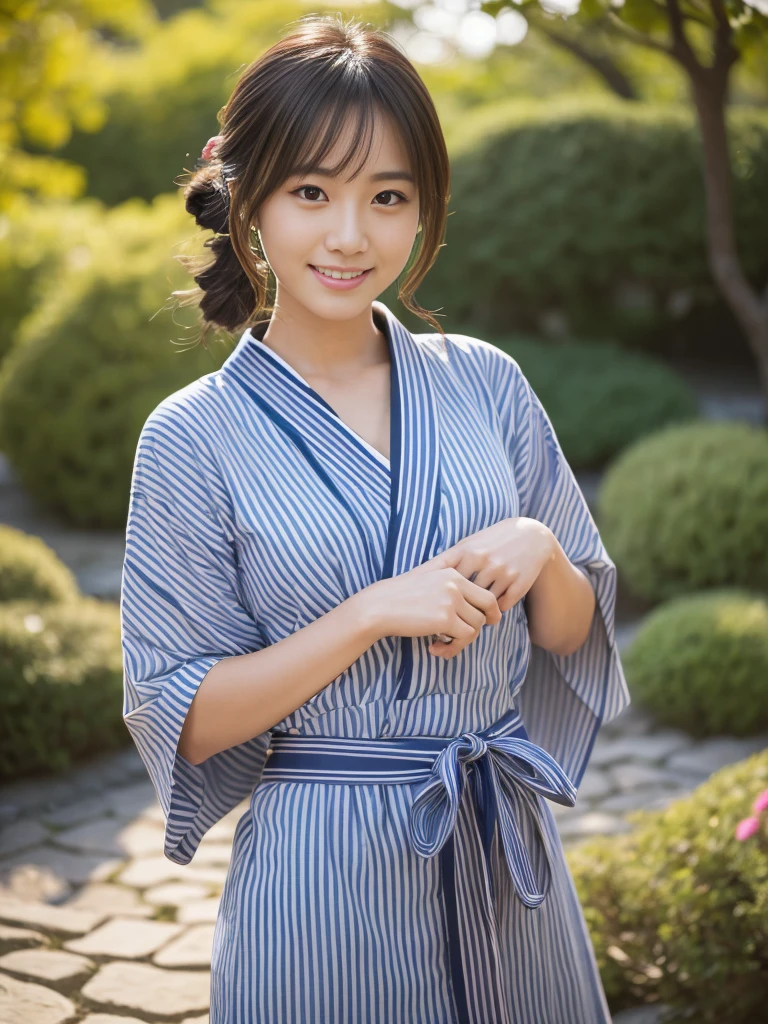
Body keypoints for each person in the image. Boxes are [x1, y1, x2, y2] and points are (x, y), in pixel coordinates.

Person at [120, 13, 630, 1024]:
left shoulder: (486, 382)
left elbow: (570, 633)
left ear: (423, 212)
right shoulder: (193, 436)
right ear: (249, 201)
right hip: (326, 863)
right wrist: (365, 613)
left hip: (501, 847)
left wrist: (541, 551)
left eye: (387, 197)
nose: (351, 235)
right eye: (312, 192)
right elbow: (181, 711)